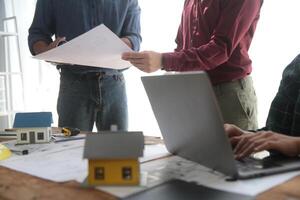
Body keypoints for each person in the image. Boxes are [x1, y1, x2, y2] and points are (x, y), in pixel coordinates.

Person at [122, 0, 263, 130]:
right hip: (195, 92)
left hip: (228, 95)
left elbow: (219, 49)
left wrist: (163, 61)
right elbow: (182, 44)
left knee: (236, 157)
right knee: (195, 157)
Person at [28, 0, 141, 131]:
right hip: (73, 83)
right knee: (71, 148)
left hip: (114, 83)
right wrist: (48, 52)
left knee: (118, 149)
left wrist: (114, 45)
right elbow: (37, 34)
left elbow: (134, 37)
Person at [225, 54, 300, 159]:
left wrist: (297, 145)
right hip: (284, 169)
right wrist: (246, 136)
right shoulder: (297, 66)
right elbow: (278, 134)